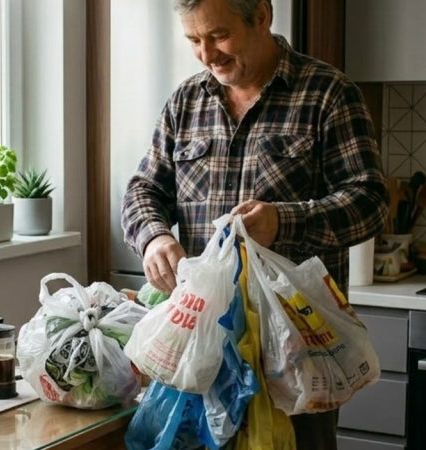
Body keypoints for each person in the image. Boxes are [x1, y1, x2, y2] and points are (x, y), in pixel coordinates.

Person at [120, 0, 389, 448]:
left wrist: (284, 221)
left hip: (296, 361)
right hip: (202, 355)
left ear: (261, 16)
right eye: (193, 40)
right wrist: (153, 237)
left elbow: (370, 201)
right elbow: (143, 189)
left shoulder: (327, 93)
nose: (207, 54)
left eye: (218, 35)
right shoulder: (186, 102)